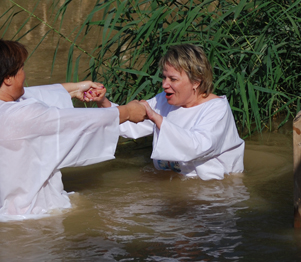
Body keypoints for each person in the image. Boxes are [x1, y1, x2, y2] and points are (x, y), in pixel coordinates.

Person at [0, 38, 146, 220]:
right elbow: (83, 121)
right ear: (8, 78)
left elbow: (33, 94)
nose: (24, 75)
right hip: (30, 216)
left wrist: (75, 89)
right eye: (21, 69)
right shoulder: (24, 115)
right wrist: (128, 112)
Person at [91, 44, 244, 180]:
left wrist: (157, 119)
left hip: (215, 189)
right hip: (176, 181)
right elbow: (131, 125)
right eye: (164, 77)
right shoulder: (164, 100)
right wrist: (103, 102)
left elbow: (198, 146)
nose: (164, 84)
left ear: (196, 82)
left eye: (173, 79)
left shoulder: (216, 108)